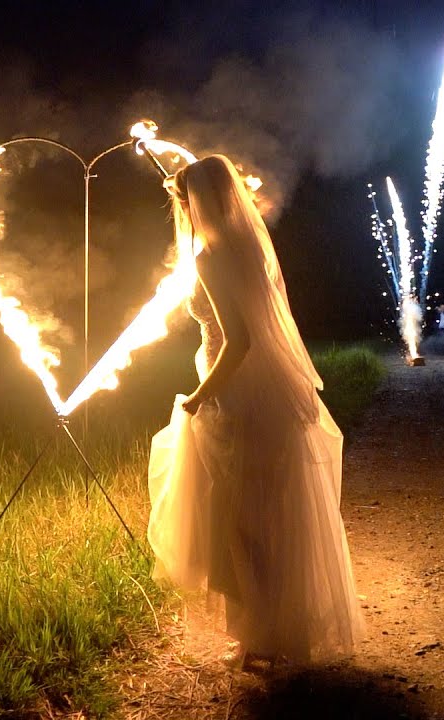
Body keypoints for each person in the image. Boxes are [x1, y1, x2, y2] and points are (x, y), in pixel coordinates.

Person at [146, 155, 363, 667]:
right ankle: (279, 636)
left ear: (197, 202)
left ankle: (260, 641)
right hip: (266, 395)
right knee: (268, 517)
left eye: (183, 202)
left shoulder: (209, 258)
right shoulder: (248, 249)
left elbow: (238, 340)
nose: (182, 212)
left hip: (236, 398)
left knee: (241, 522)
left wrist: (200, 398)